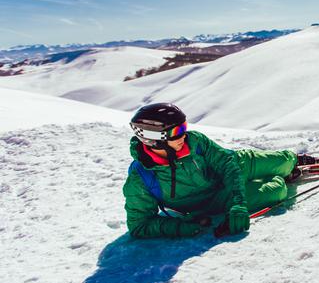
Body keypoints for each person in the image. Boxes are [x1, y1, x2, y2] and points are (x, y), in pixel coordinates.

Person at [123, 102, 301, 238]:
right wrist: (179, 228)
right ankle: (281, 178)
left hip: (234, 167)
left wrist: (237, 202)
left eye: (184, 127)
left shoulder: (195, 142)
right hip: (214, 200)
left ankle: (293, 162)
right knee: (277, 191)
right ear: (154, 139)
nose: (184, 135)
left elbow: (227, 164)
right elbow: (139, 225)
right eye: (177, 131)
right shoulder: (141, 177)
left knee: (283, 161)